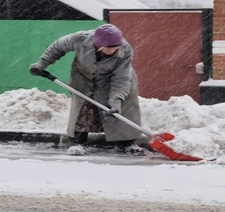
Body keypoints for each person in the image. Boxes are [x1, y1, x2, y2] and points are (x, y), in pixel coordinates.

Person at [29, 24, 145, 155]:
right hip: (83, 76)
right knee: (83, 107)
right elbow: (58, 47)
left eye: (116, 48)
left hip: (114, 78)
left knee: (123, 108)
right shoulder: (80, 39)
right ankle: (77, 142)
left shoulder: (125, 50)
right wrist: (42, 63)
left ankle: (126, 143)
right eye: (109, 48)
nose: (113, 51)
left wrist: (117, 98)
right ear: (99, 44)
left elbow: (121, 78)